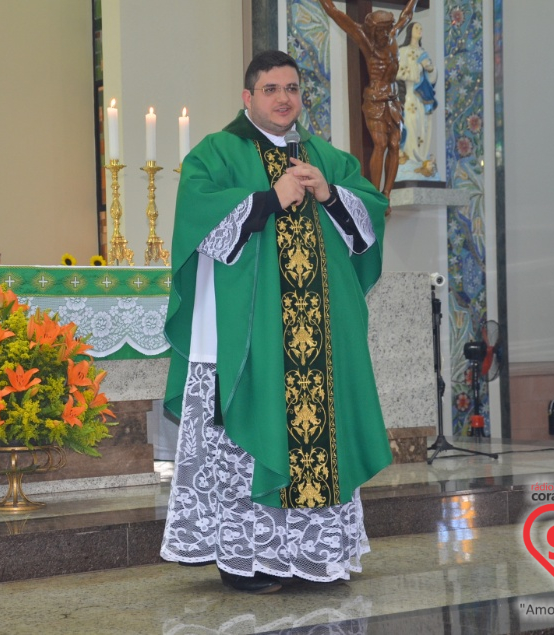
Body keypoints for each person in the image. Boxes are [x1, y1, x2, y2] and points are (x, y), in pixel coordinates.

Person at [160, 50, 391, 594]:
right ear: (248, 97)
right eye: (271, 89)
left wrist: (330, 193)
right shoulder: (218, 151)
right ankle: (247, 561)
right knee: (247, 444)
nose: (284, 99)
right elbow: (197, 213)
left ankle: (309, 558)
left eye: (291, 88)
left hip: (317, 343)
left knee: (316, 439)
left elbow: (372, 211)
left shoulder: (324, 156)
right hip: (250, 338)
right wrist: (268, 197)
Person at [320, 0, 418, 209]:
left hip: (392, 99)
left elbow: (407, 14)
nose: (384, 35)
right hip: (374, 99)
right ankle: (374, 195)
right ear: (372, 31)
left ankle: (387, 194)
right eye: (380, 31)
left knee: (394, 144)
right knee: (380, 144)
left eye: (386, 30)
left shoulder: (392, 37)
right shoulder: (365, 40)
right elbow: (335, 13)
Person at [396, 21, 437, 178]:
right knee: (411, 123)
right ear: (410, 31)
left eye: (421, 27)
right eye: (416, 27)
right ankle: (410, 159)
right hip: (410, 96)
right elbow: (397, 72)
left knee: (424, 127)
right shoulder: (404, 51)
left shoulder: (423, 52)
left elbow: (432, 78)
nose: (420, 30)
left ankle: (422, 159)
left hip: (423, 99)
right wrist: (417, 68)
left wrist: (430, 68)